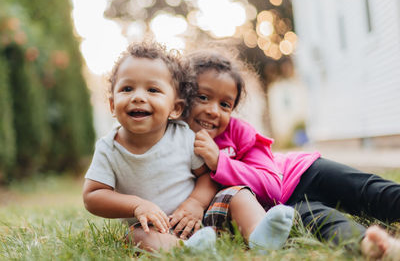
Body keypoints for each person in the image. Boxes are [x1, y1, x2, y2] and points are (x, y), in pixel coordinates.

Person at [183, 48, 400, 260]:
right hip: (282, 209)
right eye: (202, 97)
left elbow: (272, 185)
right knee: (324, 222)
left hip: (302, 173)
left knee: (367, 190)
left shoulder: (238, 132)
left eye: (225, 104)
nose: (213, 110)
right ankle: (373, 245)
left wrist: (220, 161)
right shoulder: (170, 144)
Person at [82, 41, 295, 253]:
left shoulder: (183, 136)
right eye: (127, 89)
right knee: (135, 236)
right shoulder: (108, 149)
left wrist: (195, 203)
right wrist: (137, 205)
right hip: (157, 227)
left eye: (152, 89)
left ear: (175, 107)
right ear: (112, 104)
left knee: (237, 194)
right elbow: (93, 196)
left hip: (203, 215)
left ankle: (259, 234)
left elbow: (208, 177)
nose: (138, 97)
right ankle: (187, 249)